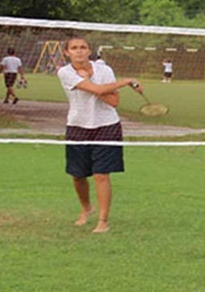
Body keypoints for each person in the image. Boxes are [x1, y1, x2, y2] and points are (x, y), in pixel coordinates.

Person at [57, 36, 142, 234]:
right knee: (78, 175)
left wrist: (89, 82)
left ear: (89, 51)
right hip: (78, 126)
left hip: (107, 125)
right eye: (74, 48)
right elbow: (97, 90)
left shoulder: (105, 70)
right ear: (67, 53)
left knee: (101, 175)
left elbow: (113, 102)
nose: (79, 51)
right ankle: (87, 207)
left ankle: (103, 220)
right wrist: (126, 81)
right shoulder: (65, 72)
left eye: (83, 47)